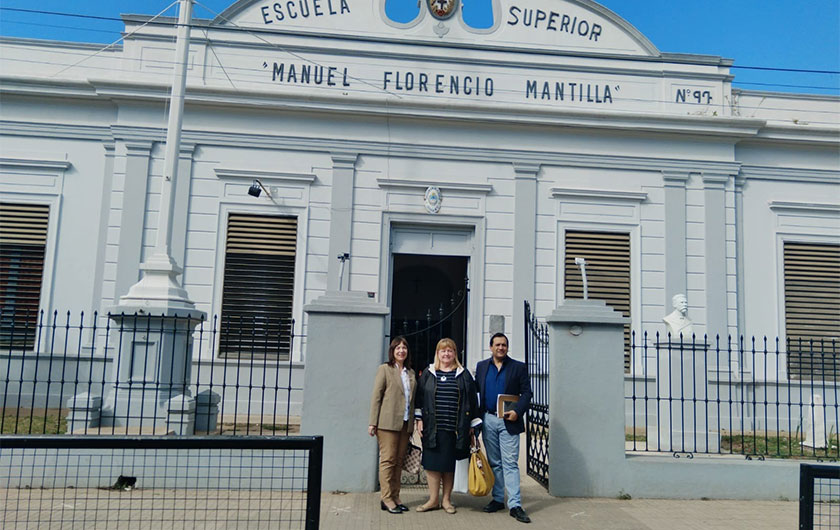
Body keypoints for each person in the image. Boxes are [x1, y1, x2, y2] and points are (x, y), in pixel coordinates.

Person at [414, 338, 481, 514]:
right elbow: (419, 398)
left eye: (450, 351)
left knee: (448, 465)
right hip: (433, 428)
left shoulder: (463, 374)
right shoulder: (428, 373)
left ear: (454, 354)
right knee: (432, 465)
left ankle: (446, 500)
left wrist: (472, 425)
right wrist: (419, 419)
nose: (446, 354)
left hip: (455, 429)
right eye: (443, 351)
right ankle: (433, 499)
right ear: (437, 353)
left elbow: (472, 400)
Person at [475, 332, 533, 524]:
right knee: (495, 462)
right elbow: (476, 392)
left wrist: (518, 411)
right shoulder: (482, 367)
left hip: (509, 420)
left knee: (509, 463)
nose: (501, 347)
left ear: (507, 348)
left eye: (504, 345)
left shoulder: (518, 367)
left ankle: (515, 504)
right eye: (497, 344)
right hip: (488, 419)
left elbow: (526, 393)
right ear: (491, 347)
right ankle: (498, 499)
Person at [368, 336, 417, 515]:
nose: (401, 351)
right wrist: (372, 422)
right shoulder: (385, 369)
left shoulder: (410, 372)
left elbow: (412, 399)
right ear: (392, 351)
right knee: (387, 461)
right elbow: (376, 396)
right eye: (398, 348)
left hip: (405, 423)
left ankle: (396, 496)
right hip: (387, 423)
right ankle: (386, 497)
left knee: (398, 461)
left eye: (404, 348)